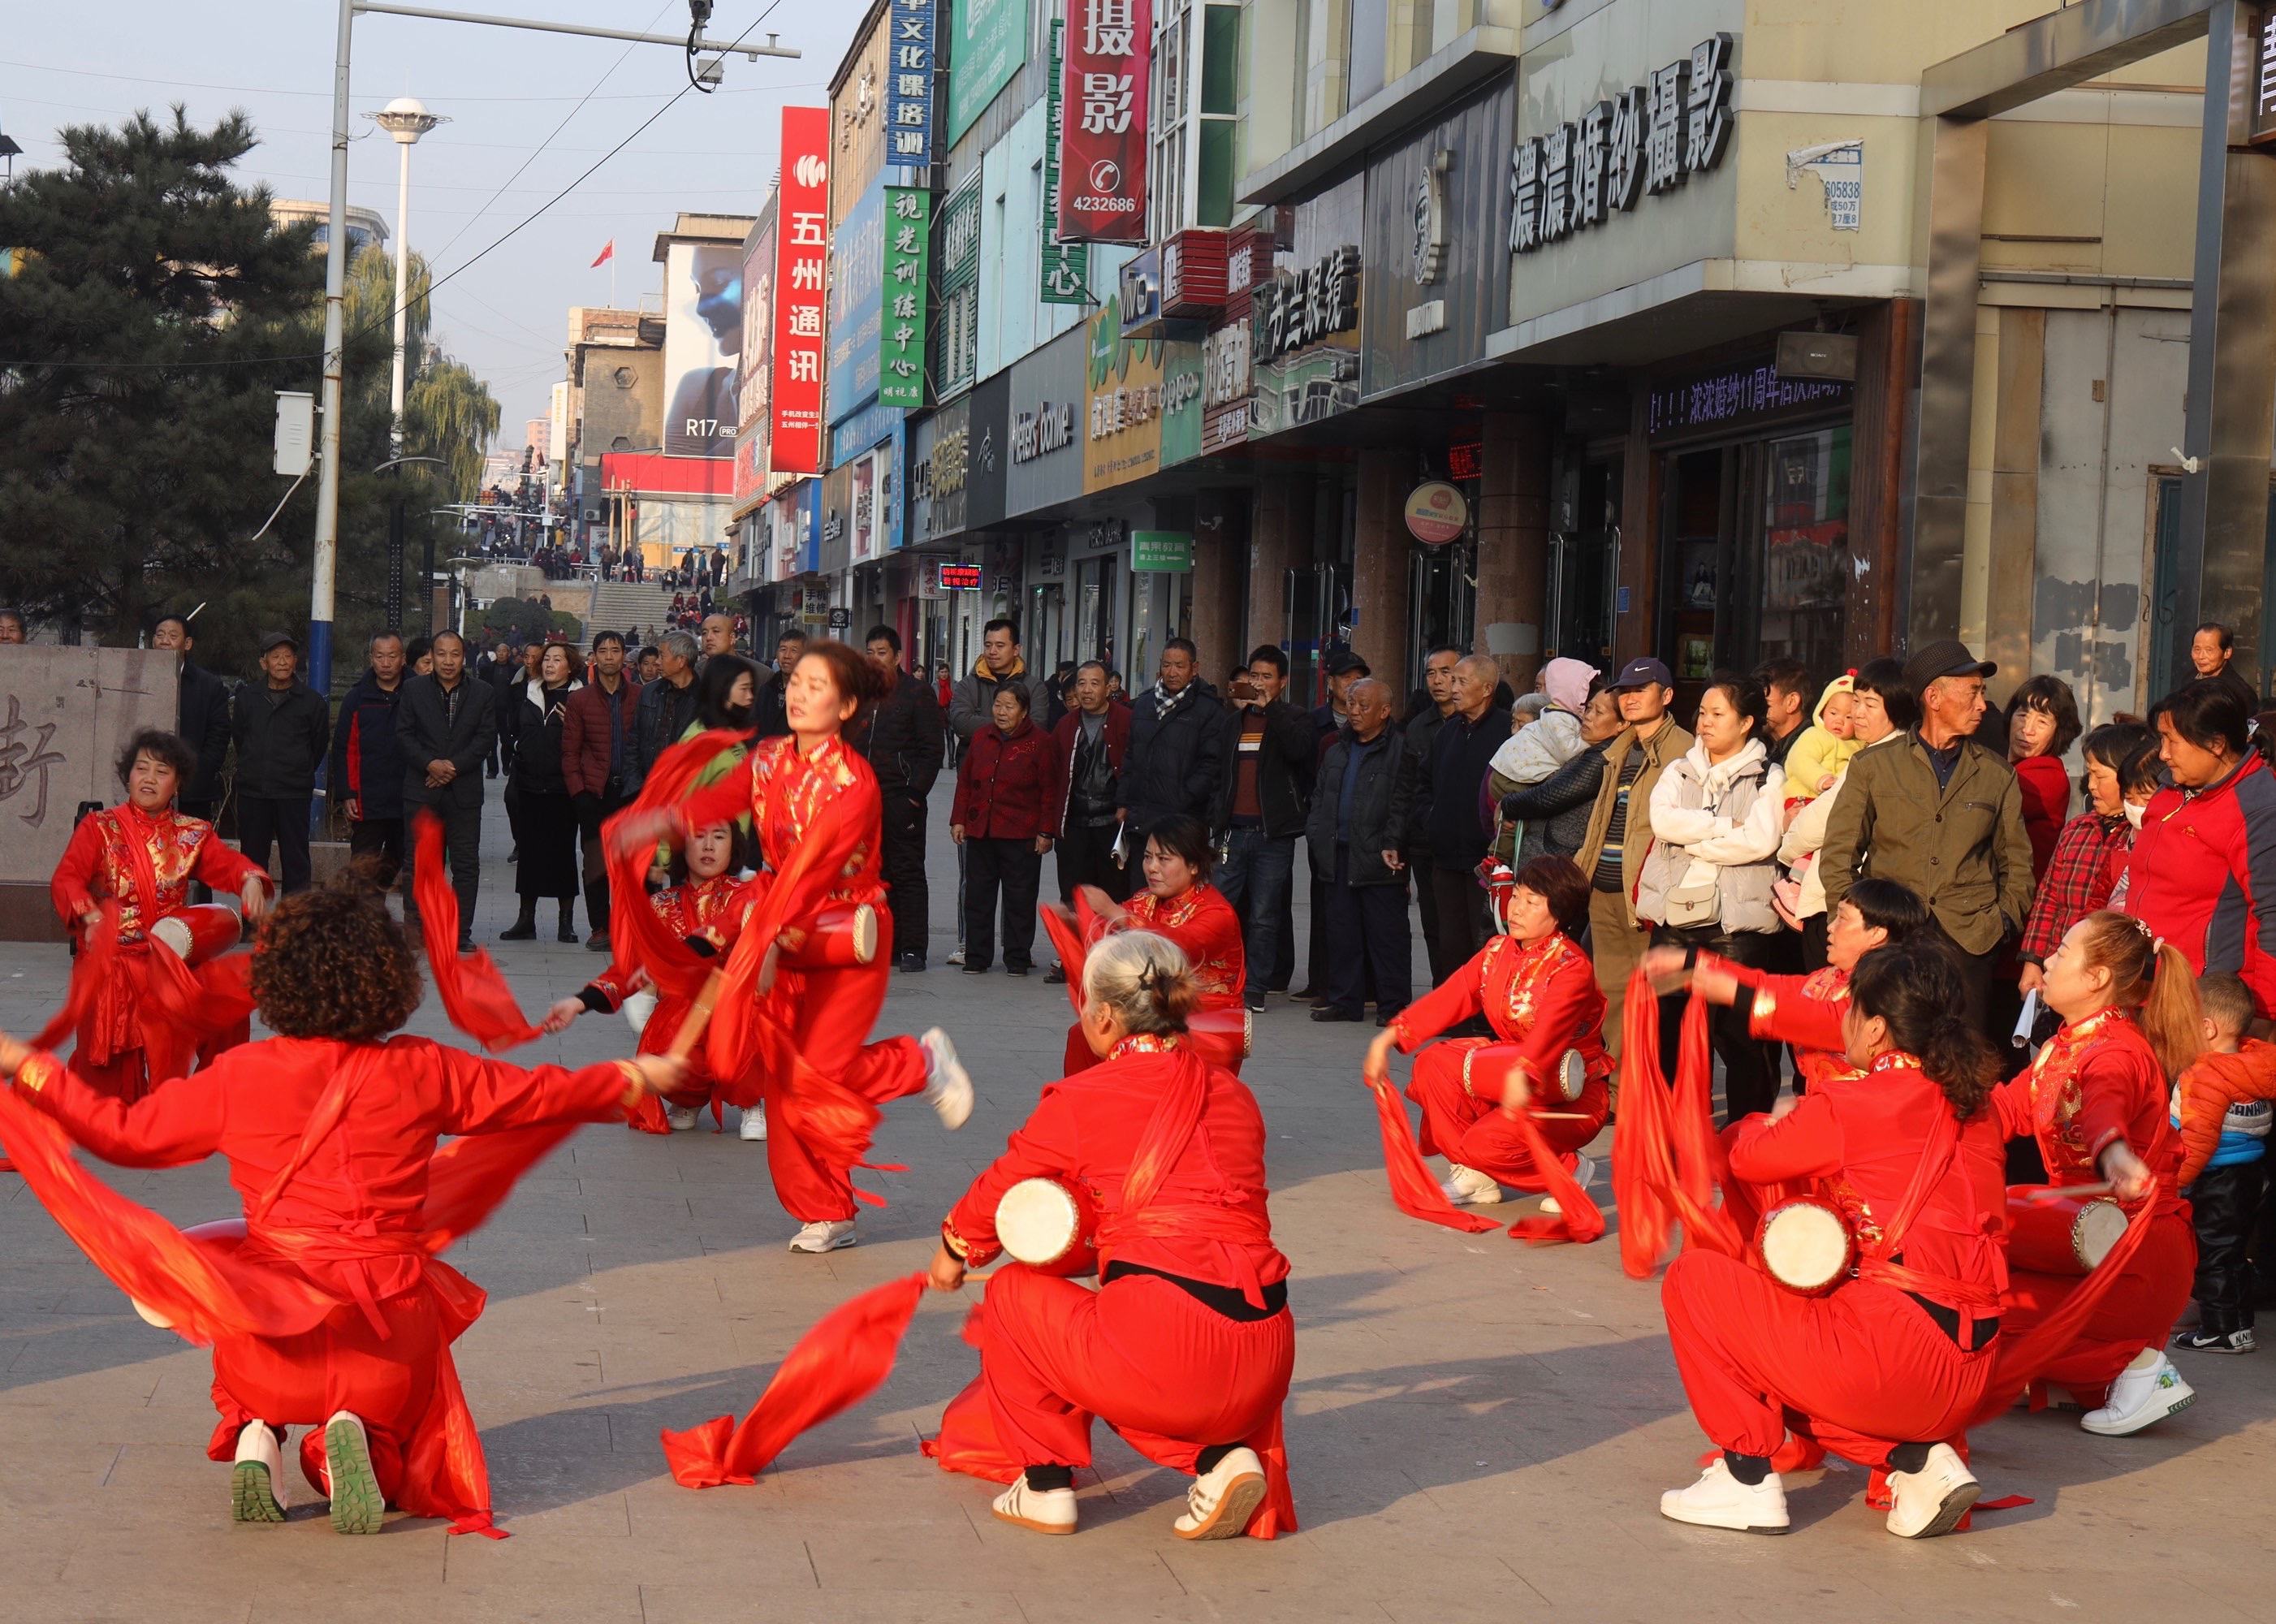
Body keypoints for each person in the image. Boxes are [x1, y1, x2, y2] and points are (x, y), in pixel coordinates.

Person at [0, 881, 684, 1534]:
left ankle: (256, 1438)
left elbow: (123, 1135)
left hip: (268, 1336)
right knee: (384, 1411)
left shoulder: (240, 1076)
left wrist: (31, 1071)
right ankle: (347, 1440)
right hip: (386, 1331)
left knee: (246, 1352)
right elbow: (540, 1096)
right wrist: (632, 1075)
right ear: (386, 981)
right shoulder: (425, 1068)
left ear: (274, 982)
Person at [923, 929, 1296, 1542]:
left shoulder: (1083, 1097)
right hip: (1266, 1352)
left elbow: (997, 1191)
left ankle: (1044, 1487)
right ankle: (1218, 1460)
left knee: (1017, 1295)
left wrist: (954, 1251)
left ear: (1102, 1015)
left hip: (1171, 1347)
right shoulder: (1234, 1094)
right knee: (1117, 1333)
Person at [619, 641, 974, 1251]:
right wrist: (661, 822)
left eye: (816, 685)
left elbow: (812, 870)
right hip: (778, 925)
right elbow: (723, 806)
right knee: (778, 1076)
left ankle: (921, 1064)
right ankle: (827, 1210)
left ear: (847, 705)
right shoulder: (767, 758)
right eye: (796, 682)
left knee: (819, 1071)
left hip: (844, 933)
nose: (799, 693)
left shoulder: (853, 783)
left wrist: (763, 942)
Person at [1656, 944, 2008, 1540]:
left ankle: (1744, 1480)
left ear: (1874, 1028)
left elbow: (1749, 1159)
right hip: (1971, 1368)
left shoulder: (1854, 1100)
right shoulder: (1980, 1106)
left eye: (1848, 1009)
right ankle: (1917, 1461)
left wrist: (1795, 1108)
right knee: (1800, 1343)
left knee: (1695, 1283)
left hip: (1893, 1353)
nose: (1839, 1020)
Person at [1997, 911, 2199, 1433]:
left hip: (2134, 1253)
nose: (2049, 960)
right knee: (1980, 1283)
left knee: (1985, 1312)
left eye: (2063, 951)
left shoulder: (2117, 1051)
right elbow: (1998, 1112)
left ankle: (2133, 1366)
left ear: (2097, 978)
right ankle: (2088, 1380)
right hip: (2079, 1238)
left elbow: (2103, 1108)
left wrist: (2113, 1153)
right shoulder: (2062, 1049)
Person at [1367, 854, 1609, 1207]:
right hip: (1509, 1075)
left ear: (1559, 913)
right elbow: (1450, 998)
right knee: (1433, 1063)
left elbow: (1550, 1030)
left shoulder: (1571, 968)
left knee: (1484, 1145)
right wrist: (1388, 1039)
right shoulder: (1497, 952)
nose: (1517, 909)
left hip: (1570, 1093)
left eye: (1532, 902)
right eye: (1518, 896)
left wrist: (1525, 1070)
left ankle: (1567, 1170)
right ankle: (1474, 1174)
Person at [1820, 638, 2034, 1034]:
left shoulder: (1997, 775)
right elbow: (1838, 855)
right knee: (1891, 1051)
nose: (1983, 705)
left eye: (1982, 694)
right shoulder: (1873, 767)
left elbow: (2017, 864)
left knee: (1962, 1062)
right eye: (1973, 693)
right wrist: (1855, 924)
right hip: (1890, 942)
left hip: (1970, 942)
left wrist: (2002, 922)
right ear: (1934, 697)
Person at [50, 728, 270, 1099]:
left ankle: (206, 1094)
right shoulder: (99, 828)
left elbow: (228, 864)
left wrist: (249, 880)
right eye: (142, 768)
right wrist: (87, 915)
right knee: (112, 1104)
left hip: (169, 963)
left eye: (161, 771)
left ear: (177, 783)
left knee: (227, 1005)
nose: (149, 778)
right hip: (115, 964)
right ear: (128, 775)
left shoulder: (192, 833)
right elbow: (67, 878)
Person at [1639, 672, 1788, 1121]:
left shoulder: (1769, 775)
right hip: (1674, 921)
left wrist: (1695, 835)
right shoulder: (1679, 769)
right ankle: (1672, 1134)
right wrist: (1725, 828)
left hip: (1737, 929)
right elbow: (1663, 822)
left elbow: (1761, 841)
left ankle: (1749, 1136)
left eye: (1717, 714)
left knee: (1743, 1040)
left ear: (1746, 723)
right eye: (1702, 712)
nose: (1704, 722)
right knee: (1666, 1035)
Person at [545, 820, 753, 1134]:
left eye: (719, 837)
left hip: (744, 1009)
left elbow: (725, 929)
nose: (709, 846)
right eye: (699, 836)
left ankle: (753, 1101)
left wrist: (675, 960)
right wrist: (579, 1002)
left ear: (733, 846)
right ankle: (688, 1097)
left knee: (750, 1013)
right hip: (686, 1017)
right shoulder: (660, 906)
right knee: (662, 1041)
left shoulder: (748, 896)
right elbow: (631, 970)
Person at [1648, 878, 1933, 1094]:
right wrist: (1693, 962)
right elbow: (1775, 986)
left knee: (1738, 1152)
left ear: (1877, 933)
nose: (1831, 927)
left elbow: (1823, 1020)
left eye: (1843, 919)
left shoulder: (1894, 993)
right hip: (1828, 1116)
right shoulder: (1830, 980)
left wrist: (1736, 994)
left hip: (1865, 1131)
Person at [2124, 679, 2276, 1017]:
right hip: (2144, 985)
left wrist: (2266, 1016)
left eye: (2172, 742)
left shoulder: (2257, 807)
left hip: (2203, 1001)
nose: (2163, 754)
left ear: (2217, 744)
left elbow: (2273, 915)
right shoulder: (2171, 789)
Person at [1579, 657, 1693, 1059]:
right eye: (1625, 691)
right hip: (1603, 890)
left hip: (1647, 896)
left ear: (1666, 696)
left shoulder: (1686, 750)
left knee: (1653, 1001)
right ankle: (1617, 1093)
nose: (1630, 699)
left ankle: (1651, 1096)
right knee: (1610, 996)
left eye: (1640, 691)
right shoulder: (1619, 748)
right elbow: (1601, 822)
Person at [1777, 659, 1914, 968]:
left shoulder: (1870, 761)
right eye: (1856, 702)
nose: (1857, 713)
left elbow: (1816, 824)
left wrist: (1786, 847)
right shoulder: (1898, 755)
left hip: (1839, 903)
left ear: (1897, 708)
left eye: (1870, 704)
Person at [2169, 971, 2276, 1354]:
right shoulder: (2252, 1064)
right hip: (2250, 1176)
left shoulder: (2206, 1075)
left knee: (2211, 1258)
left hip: (2217, 1180)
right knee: (2233, 1256)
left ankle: (2218, 1329)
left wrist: (2176, 1181)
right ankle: (2240, 1326)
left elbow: (2198, 1139)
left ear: (2207, 1028)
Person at [1212, 646, 1316, 1013]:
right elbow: (1220, 776)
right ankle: (1219, 979)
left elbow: (1300, 751)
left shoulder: (1295, 718)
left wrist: (1270, 708)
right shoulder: (1233, 723)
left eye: (1266, 677)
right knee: (1219, 910)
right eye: (1253, 676)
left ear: (1283, 682)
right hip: (1232, 833)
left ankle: (1255, 987)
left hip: (1273, 835)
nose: (1257, 684)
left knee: (1264, 915)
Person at [2018, 723, 2155, 996]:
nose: (2090, 785)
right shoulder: (2077, 829)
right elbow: (2048, 899)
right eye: (2089, 775)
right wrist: (2033, 960)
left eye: (2099, 776)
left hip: (2105, 977)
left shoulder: (2139, 837)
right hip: (2056, 968)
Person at [1306, 678, 1414, 1026]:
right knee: (1342, 933)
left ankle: (1393, 1005)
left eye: (1363, 705)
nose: (1354, 711)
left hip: (1380, 857)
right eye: (1351, 704)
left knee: (1387, 936)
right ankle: (1344, 1001)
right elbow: (1320, 796)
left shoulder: (1399, 749)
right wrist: (1317, 833)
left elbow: (1402, 803)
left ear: (1385, 711)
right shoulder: (1338, 748)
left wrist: (1392, 842)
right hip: (1337, 853)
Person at [396, 631, 497, 956]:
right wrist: (430, 764)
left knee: (466, 865)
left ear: (463, 657)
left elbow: (484, 739)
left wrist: (451, 767)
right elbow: (403, 734)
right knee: (421, 864)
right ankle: (418, 927)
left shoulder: (483, 692)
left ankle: (459, 932)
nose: (448, 661)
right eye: (442, 654)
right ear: (433, 656)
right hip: (421, 791)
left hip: (464, 793)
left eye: (455, 654)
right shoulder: (412, 689)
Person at [1414, 655, 1511, 987]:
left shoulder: (1506, 731)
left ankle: (1487, 1019)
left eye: (1461, 682)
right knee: (1450, 942)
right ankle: (1455, 1018)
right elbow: (1423, 783)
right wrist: (1431, 819)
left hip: (1485, 860)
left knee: (1485, 942)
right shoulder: (1446, 734)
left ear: (1486, 689)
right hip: (1444, 859)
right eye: (1452, 681)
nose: (1453, 689)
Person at [952, 682, 1059, 976]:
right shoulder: (981, 737)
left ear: (1024, 711)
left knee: (1020, 899)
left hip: (1021, 834)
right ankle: (976, 956)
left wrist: (1046, 832)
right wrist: (959, 819)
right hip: (982, 829)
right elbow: (965, 782)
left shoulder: (1040, 743)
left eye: (1009, 706)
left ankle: (1017, 957)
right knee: (978, 896)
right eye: (998, 705)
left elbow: (1049, 790)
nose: (1001, 712)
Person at [858, 626, 947, 972]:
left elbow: (932, 749)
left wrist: (914, 794)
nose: (875, 659)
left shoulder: (917, 693)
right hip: (862, 801)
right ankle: (886, 943)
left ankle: (913, 948)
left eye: (881, 652)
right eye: (870, 652)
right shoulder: (859, 692)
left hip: (900, 798)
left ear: (897, 657)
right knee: (872, 874)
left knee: (908, 873)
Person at [232, 632, 330, 896]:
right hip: (254, 792)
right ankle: (253, 922)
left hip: (294, 792)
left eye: (288, 656)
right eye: (276, 657)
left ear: (295, 661)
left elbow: (318, 744)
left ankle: (293, 925)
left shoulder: (311, 702)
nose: (283, 662)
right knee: (252, 861)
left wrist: (298, 770)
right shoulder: (248, 698)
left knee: (296, 860)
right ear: (264, 663)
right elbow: (240, 740)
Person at [1048, 661, 1133, 971]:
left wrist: (1126, 803)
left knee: (1114, 894)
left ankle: (1112, 960)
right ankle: (1072, 958)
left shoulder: (1126, 720)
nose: (1086, 690)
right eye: (1081, 683)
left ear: (1109, 686)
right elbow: (1053, 773)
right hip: (1075, 824)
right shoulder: (1066, 725)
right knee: (1074, 894)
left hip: (1112, 823)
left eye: (1094, 683)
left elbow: (1134, 768)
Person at [562, 631, 641, 952]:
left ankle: (629, 927)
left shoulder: (640, 696)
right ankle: (600, 927)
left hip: (631, 792)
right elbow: (569, 752)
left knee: (631, 865)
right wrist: (579, 793)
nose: (609, 657)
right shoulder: (579, 700)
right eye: (603, 651)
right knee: (595, 863)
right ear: (594, 657)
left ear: (624, 656)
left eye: (615, 650)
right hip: (594, 791)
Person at [502, 644, 583, 944]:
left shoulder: (580, 698)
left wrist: (572, 724)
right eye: (547, 659)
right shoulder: (529, 693)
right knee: (530, 855)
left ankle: (566, 922)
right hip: (529, 785)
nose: (549, 664)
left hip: (563, 788)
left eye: (557, 659)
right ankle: (526, 920)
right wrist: (517, 756)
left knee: (563, 855)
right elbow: (514, 731)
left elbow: (587, 741)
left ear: (570, 666)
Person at [1117, 639, 1227, 852]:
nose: (1172, 672)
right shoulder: (1144, 705)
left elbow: (1211, 766)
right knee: (1142, 883)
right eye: (1167, 665)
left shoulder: (1209, 710)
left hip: (1184, 820)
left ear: (1194, 668)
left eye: (1179, 666)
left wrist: (1182, 797)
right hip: (1141, 817)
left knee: (1177, 882)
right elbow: (1130, 757)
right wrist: (1123, 802)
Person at [1497, 683, 1622, 865]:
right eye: (1588, 708)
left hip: (1556, 862)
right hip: (1547, 857)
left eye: (1599, 712)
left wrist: (1506, 805)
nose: (1588, 717)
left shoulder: (1603, 758)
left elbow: (1551, 796)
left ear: (1622, 723)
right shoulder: (1589, 750)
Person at [1484, 658, 1592, 866]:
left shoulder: (1558, 717)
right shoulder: (1558, 717)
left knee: (1516, 819)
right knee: (1517, 823)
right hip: (1514, 779)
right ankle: (1496, 860)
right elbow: (1568, 753)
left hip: (1512, 777)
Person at [329, 633, 410, 888]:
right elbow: (344, 748)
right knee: (361, 869)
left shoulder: (418, 692)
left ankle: (379, 898)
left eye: (392, 656)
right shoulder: (357, 698)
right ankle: (364, 916)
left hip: (408, 798)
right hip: (368, 800)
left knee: (402, 860)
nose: (386, 663)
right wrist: (347, 793)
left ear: (403, 659)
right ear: (371, 659)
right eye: (380, 656)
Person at [151, 614, 232, 827]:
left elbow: (219, 736)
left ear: (187, 644)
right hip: (146, 789)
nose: (165, 641)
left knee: (189, 854)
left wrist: (196, 774)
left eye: (172, 636)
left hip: (192, 792)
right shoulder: (139, 680)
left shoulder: (209, 686)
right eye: (160, 635)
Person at [2006, 674, 2080, 879]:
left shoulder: (2048, 776)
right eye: (2022, 716)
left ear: (2060, 732)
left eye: (2042, 722)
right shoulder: (2009, 765)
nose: (2027, 730)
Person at [627, 631, 702, 795]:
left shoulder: (705, 699)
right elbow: (633, 742)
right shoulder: (649, 692)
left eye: (662, 656)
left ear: (681, 660)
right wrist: (635, 787)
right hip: (645, 792)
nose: (657, 662)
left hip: (685, 796)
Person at [1781, 672, 1859, 810]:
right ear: (1822, 711)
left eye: (1848, 717)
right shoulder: (1815, 735)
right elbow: (1799, 759)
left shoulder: (1858, 746)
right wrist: (1821, 779)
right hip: (1804, 797)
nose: (1839, 721)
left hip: (1835, 802)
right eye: (1833, 713)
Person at [1753, 656, 1812, 772]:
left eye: (1763, 699)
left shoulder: (1815, 749)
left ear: (1791, 702)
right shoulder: (1759, 746)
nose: (1755, 707)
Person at [2190, 620, 2259, 715]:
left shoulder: (2239, 693)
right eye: (2197, 649)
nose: (2201, 656)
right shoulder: (2189, 678)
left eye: (2209, 650)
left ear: (2227, 652)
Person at [754, 628, 803, 739]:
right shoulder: (767, 689)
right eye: (783, 649)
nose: (787, 655)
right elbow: (753, 727)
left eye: (794, 651)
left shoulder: (810, 693)